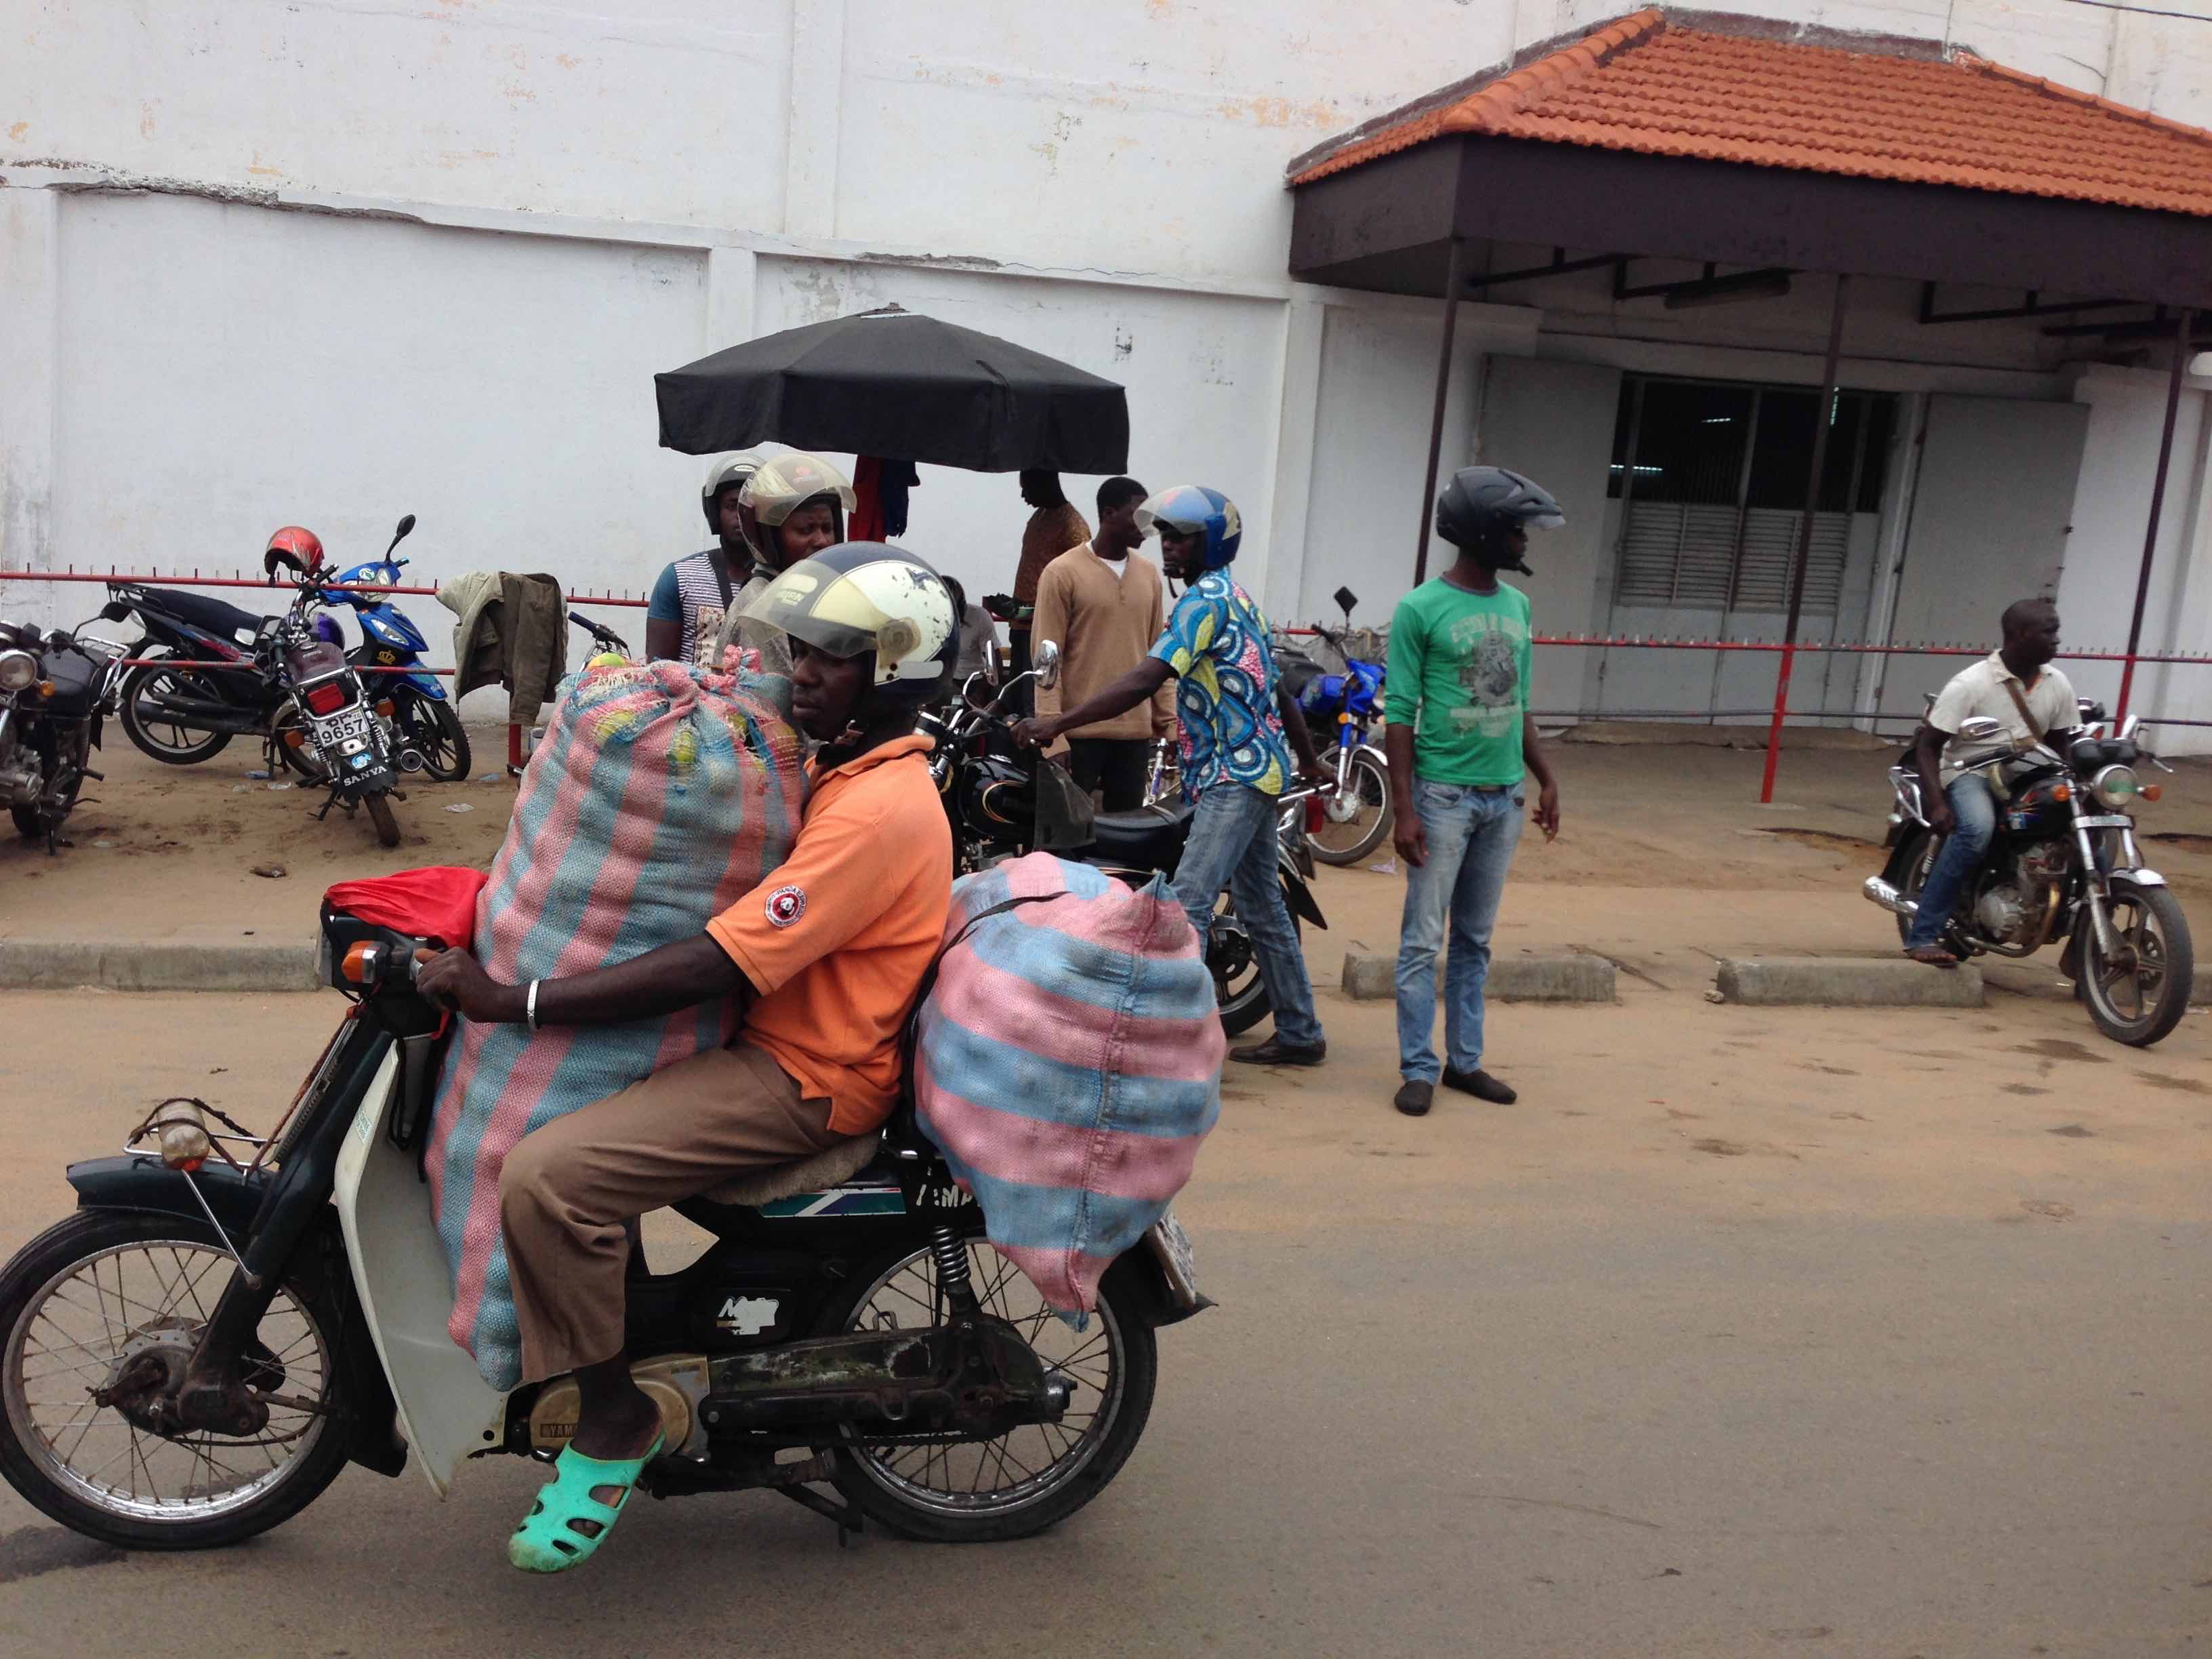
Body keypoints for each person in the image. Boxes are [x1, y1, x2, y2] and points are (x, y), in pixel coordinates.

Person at [415, 542, 957, 1574]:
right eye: (800, 654)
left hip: (800, 1079)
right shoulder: (846, 768)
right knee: (563, 1129)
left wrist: (518, 999)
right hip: (760, 1043)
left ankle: (614, 1417)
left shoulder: (884, 809)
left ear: (895, 671)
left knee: (549, 1176)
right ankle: (603, 1345)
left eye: (832, 661)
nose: (802, 675)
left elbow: (721, 959)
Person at [1015, 485, 1330, 1067]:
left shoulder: (1204, 602)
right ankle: (1301, 1029)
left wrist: (1057, 721)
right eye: (1168, 535)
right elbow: (1279, 687)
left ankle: (1170, 1047)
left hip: (1236, 776)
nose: (1171, 547)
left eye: (1183, 537)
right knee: (1261, 907)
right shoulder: (1239, 597)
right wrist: (1305, 758)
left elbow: (1143, 679)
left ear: (1213, 541)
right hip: (1254, 771)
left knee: (1185, 907)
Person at [1385, 467, 1565, 1120]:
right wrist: (1403, 811)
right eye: (1516, 530)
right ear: (1483, 532)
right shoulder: (1420, 609)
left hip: (1503, 800)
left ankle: (1464, 1062)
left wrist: (1545, 778)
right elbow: (1399, 712)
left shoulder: (1517, 608)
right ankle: (1417, 1068)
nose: (1524, 542)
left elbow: (1519, 705)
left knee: (1476, 941)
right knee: (1421, 941)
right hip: (1442, 799)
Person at [1902, 598, 2077, 967]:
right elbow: (1929, 747)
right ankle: (1923, 934)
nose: (2057, 640)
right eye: (2050, 631)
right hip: (1972, 773)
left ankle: (2083, 949)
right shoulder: (1971, 683)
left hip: (2031, 771)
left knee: (2088, 829)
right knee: (1976, 830)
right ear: (2021, 634)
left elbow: (2062, 746)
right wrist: (1938, 803)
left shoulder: (2057, 682)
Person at [1030, 476, 1176, 811]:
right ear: (1108, 514)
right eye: (1137, 516)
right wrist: (1053, 736)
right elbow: (1046, 661)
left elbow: (1161, 656)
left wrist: (1170, 724)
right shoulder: (1061, 573)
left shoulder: (1150, 575)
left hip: (1135, 737)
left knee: (1125, 843)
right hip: (1076, 735)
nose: (1147, 526)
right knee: (1067, 843)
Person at [708, 453, 856, 677]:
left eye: (827, 528)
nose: (822, 541)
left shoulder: (817, 592)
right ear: (771, 539)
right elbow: (784, 697)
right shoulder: (762, 604)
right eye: (805, 530)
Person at [647, 451, 768, 668]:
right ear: (714, 513)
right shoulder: (680, 578)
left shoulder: (782, 583)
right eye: (732, 506)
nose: (741, 516)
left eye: (750, 508)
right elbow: (659, 671)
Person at [1005, 470, 1091, 701]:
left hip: (1047, 632)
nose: (1023, 495)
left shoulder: (1073, 525)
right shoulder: (1038, 517)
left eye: (1027, 488)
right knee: (1016, 702)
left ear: (1045, 484)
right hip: (1022, 627)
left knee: (1037, 700)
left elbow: (1081, 583)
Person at [942, 573, 998, 699]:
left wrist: (989, 685)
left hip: (974, 679)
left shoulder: (979, 616)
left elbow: (993, 657)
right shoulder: (925, 619)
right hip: (940, 681)